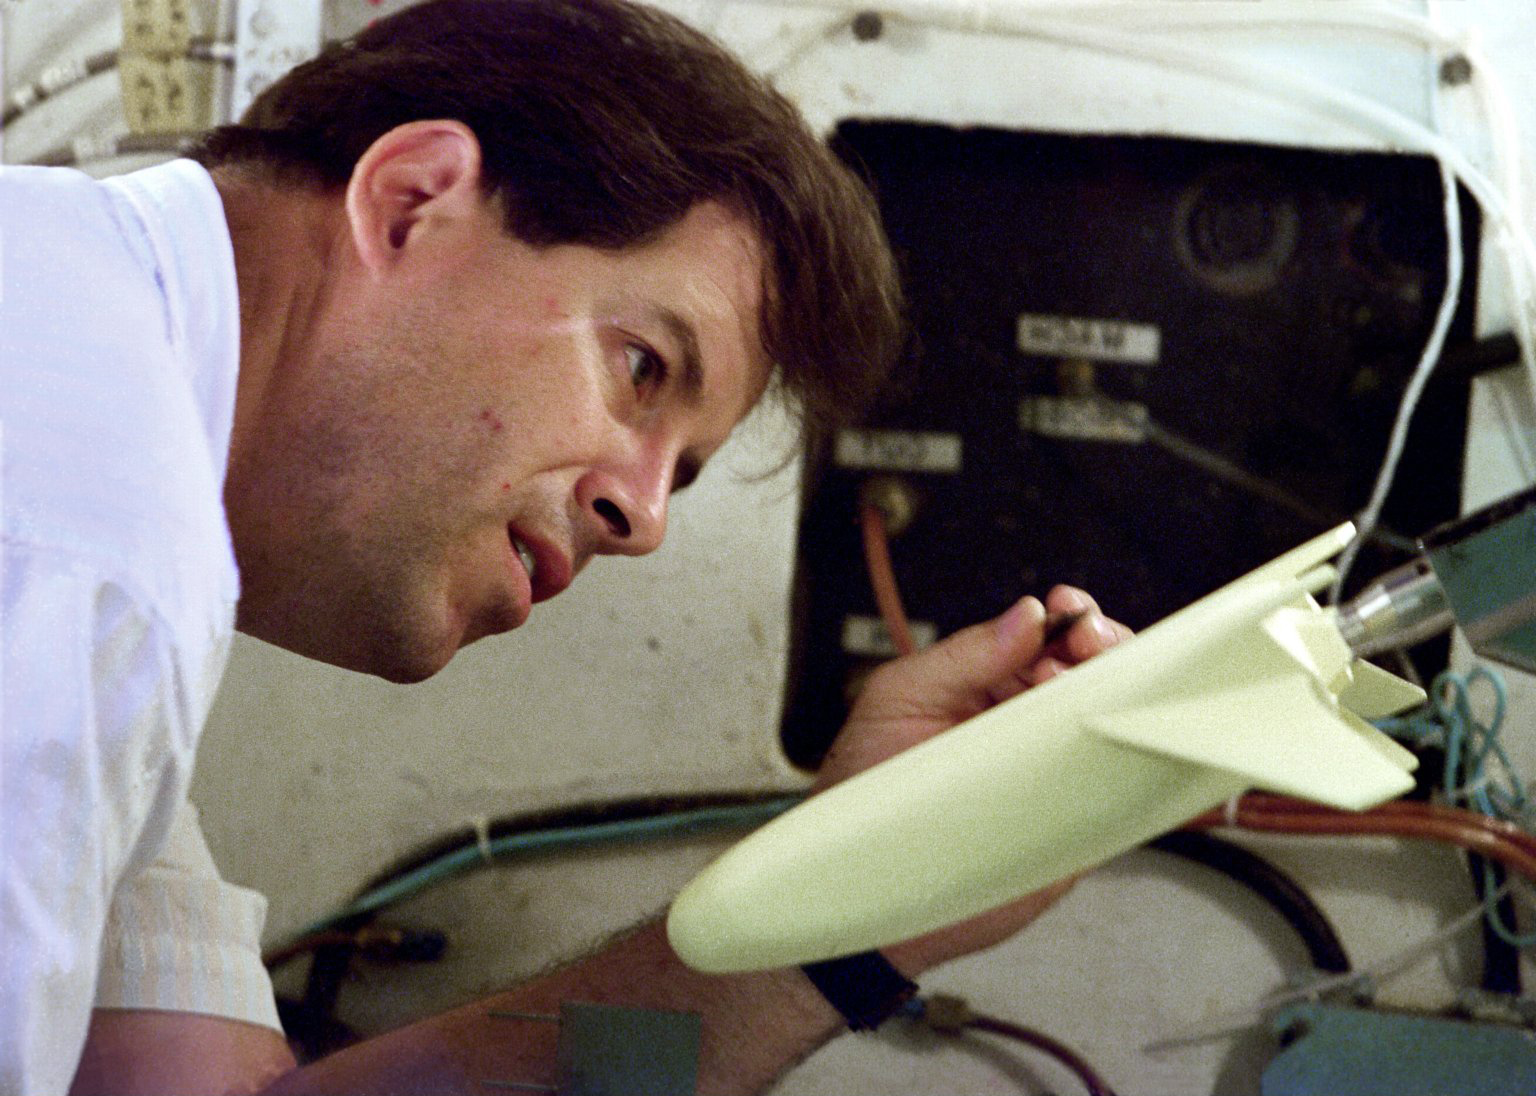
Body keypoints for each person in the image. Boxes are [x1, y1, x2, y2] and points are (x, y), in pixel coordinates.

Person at [0, 1, 1129, 1092]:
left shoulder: (91, 438)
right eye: (642, 365)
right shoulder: (89, 540)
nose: (645, 521)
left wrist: (858, 900)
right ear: (412, 201)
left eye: (680, 470)